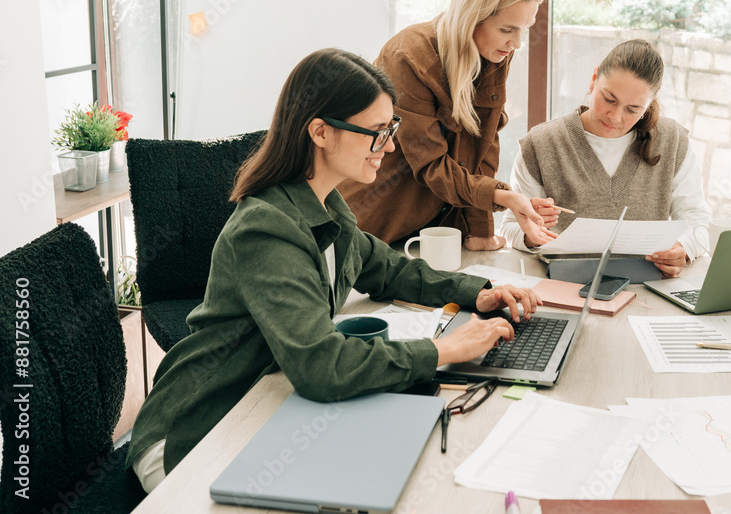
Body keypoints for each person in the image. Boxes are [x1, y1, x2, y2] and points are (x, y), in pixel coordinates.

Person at [126, 49, 540, 492]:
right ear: (320, 132)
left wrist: (479, 291)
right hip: (194, 432)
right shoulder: (266, 229)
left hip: (265, 398)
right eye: (377, 133)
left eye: (391, 128)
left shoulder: (326, 204)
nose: (391, 146)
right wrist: (444, 350)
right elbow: (321, 366)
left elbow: (387, 269)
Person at [339, 0, 557, 252]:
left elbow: (485, 143)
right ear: (472, 16)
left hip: (440, 231)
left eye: (524, 29)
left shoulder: (495, 53)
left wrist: (480, 230)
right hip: (377, 223)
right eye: (508, 30)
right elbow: (431, 164)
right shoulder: (408, 56)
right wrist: (504, 196)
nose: (517, 42)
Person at [499, 39, 710, 276]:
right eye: (609, 99)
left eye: (632, 109)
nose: (615, 117)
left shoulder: (673, 140)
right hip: (563, 287)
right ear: (594, 78)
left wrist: (684, 247)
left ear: (649, 103)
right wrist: (531, 236)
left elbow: (696, 221)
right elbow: (510, 226)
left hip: (649, 288)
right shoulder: (541, 143)